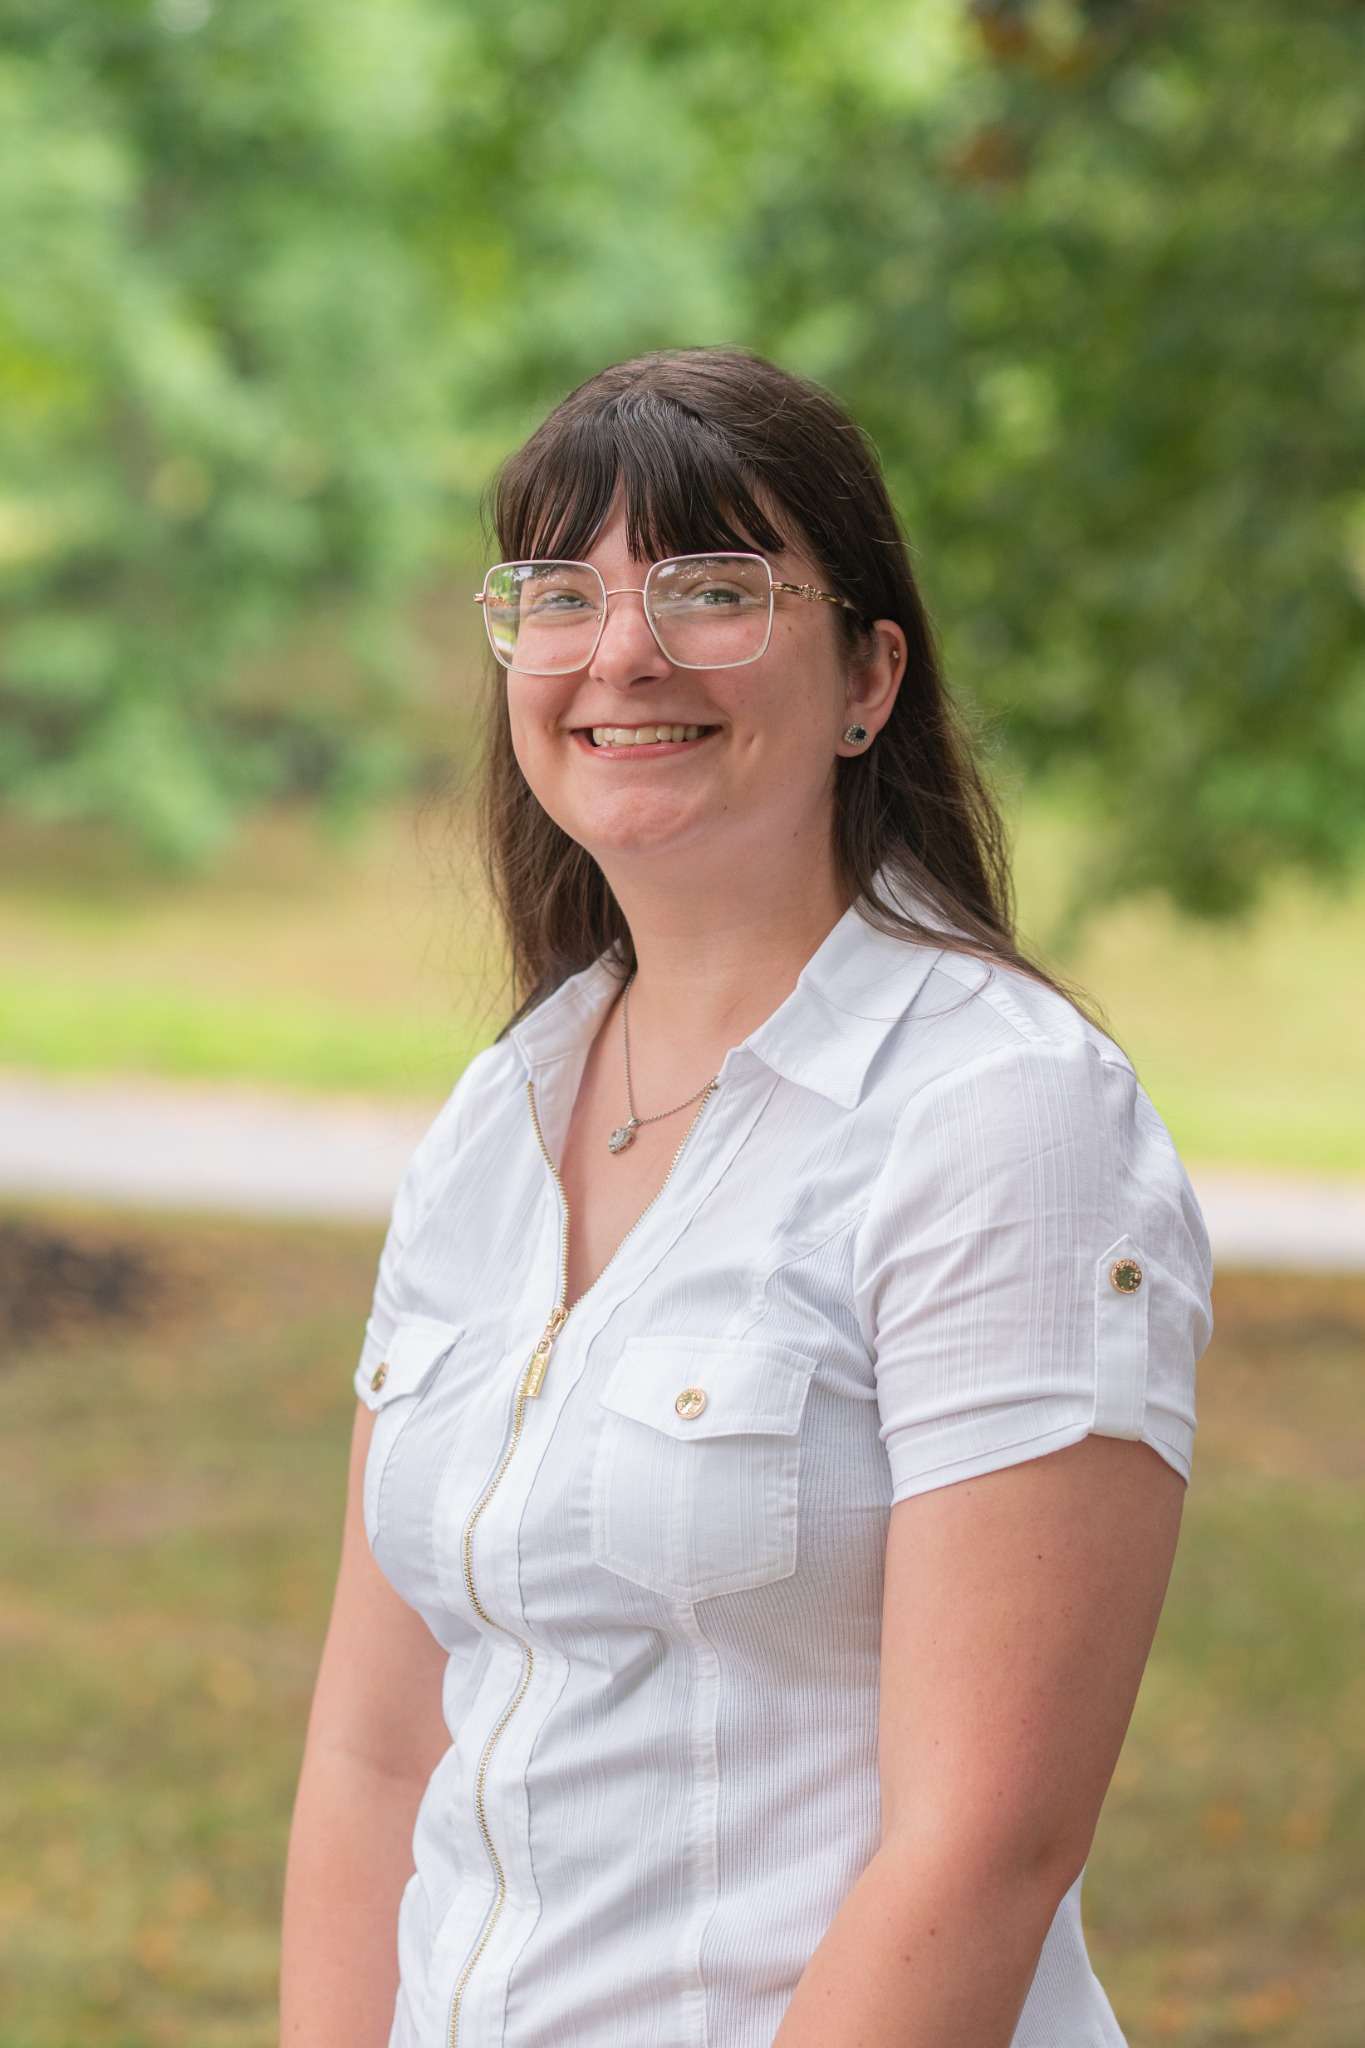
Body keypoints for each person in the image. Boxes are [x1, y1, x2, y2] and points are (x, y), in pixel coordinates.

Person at [280, 344, 1214, 2048]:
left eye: (712, 588)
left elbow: (983, 1847)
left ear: (868, 677)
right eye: (561, 595)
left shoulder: (999, 1115)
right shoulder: (496, 1121)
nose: (621, 652)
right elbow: (374, 1754)